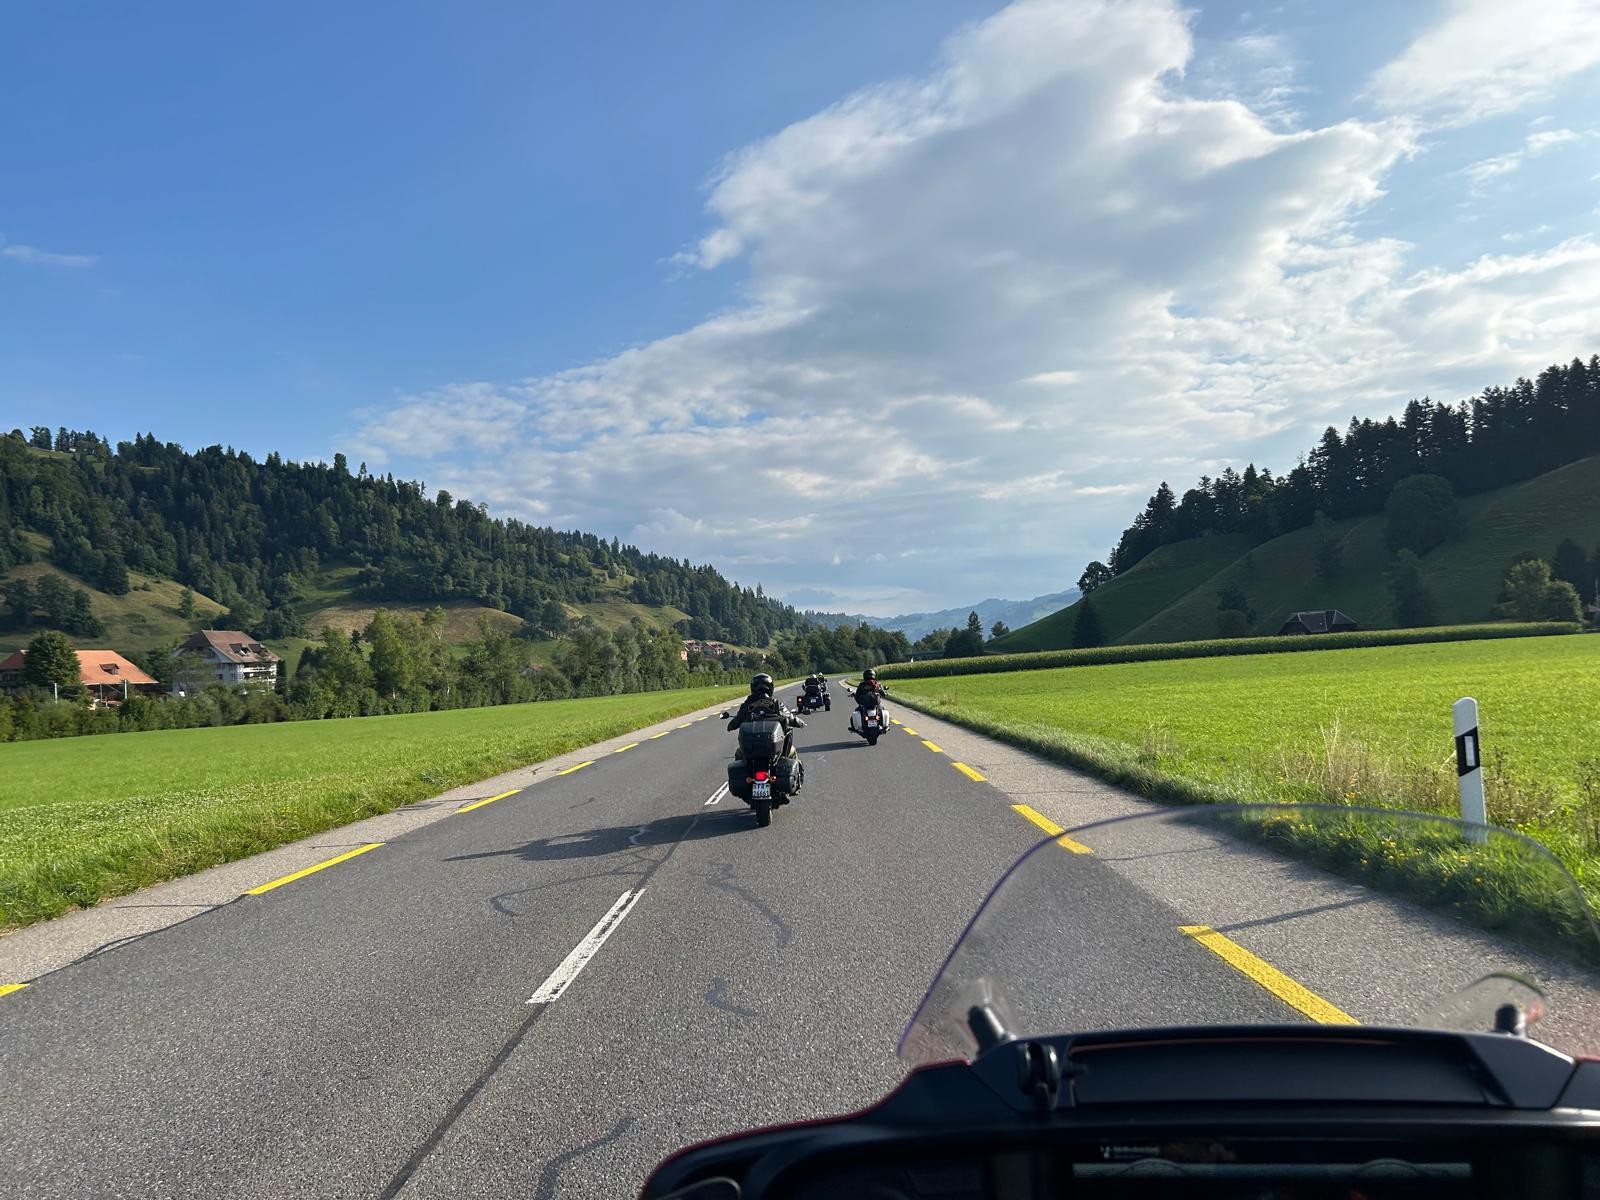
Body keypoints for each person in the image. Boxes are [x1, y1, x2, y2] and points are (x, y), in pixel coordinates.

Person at [727, 672, 805, 758]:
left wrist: (730, 726)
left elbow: (736, 722)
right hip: (774, 751)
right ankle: (786, 759)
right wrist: (800, 723)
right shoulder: (776, 704)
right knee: (792, 750)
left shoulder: (747, 705)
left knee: (739, 753)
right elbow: (790, 717)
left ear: (753, 688)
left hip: (751, 751)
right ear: (770, 688)